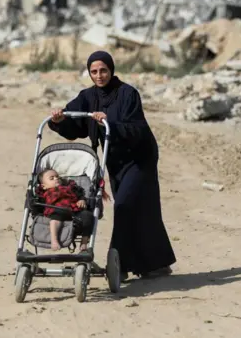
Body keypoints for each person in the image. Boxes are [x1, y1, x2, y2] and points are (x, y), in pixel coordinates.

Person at [48, 50, 176, 281]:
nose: (99, 76)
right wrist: (59, 120)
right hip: (115, 160)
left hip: (139, 157)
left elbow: (137, 129)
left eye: (103, 70)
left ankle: (121, 265)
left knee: (125, 205)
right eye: (94, 71)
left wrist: (110, 122)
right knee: (141, 210)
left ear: (111, 70)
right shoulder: (87, 96)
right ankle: (156, 265)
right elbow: (75, 127)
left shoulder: (127, 94)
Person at [36, 168, 94, 251]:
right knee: (55, 218)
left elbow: (80, 194)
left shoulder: (69, 187)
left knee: (88, 215)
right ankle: (54, 240)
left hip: (74, 210)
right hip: (57, 210)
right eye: (51, 178)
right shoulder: (43, 193)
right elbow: (38, 203)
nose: (56, 179)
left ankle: (84, 241)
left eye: (57, 177)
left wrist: (82, 200)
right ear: (44, 186)